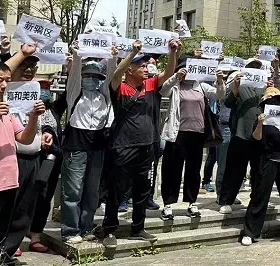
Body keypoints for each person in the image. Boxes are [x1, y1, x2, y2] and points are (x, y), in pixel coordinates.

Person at [102, 38, 180, 248]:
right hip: (123, 147)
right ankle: (109, 230)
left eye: (147, 66)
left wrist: (173, 52)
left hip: (148, 148)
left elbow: (168, 72)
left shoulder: (151, 84)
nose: (147, 69)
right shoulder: (120, 87)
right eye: (142, 66)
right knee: (117, 190)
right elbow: (116, 73)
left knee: (143, 190)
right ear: (130, 70)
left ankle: (138, 227)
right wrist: (131, 54)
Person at [0, 60, 44, 266]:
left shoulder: (6, 112)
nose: (3, 86)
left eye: (6, 81)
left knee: (0, 235)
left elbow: (24, 138)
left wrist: (33, 117)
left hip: (9, 181)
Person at [2, 44, 52, 264]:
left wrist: (47, 133)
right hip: (9, 158)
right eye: (24, 65)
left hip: (34, 156)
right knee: (6, 206)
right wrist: (19, 53)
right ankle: (1, 249)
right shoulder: (2, 90)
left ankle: (11, 248)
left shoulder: (36, 90)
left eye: (33, 66)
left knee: (26, 206)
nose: (29, 70)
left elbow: (44, 120)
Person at [59, 50, 115, 244]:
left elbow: (111, 78)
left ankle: (86, 227)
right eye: (87, 75)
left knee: (92, 191)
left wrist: (113, 58)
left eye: (95, 76)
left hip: (98, 147)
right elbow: (73, 77)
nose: (91, 79)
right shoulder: (75, 95)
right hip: (76, 146)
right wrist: (76, 56)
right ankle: (69, 230)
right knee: (73, 190)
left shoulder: (104, 96)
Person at [159, 58, 225, 220]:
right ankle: (167, 204)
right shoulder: (175, 86)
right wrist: (176, 77)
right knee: (171, 169)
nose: (187, 72)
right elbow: (163, 90)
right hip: (177, 133)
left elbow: (219, 94)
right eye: (184, 69)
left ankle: (191, 202)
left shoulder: (201, 86)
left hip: (197, 134)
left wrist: (220, 80)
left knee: (194, 170)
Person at [241, 88, 280, 246]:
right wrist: (260, 124)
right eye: (271, 97)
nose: (275, 100)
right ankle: (250, 232)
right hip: (268, 159)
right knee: (260, 196)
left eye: (277, 97)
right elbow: (255, 139)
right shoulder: (260, 116)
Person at [218, 58, 269, 214]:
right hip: (240, 132)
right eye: (252, 67)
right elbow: (227, 103)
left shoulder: (265, 86)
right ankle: (226, 200)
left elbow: (275, 106)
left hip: (260, 134)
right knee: (234, 169)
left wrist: (270, 93)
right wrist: (236, 88)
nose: (255, 69)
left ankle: (256, 201)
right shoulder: (237, 82)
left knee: (258, 170)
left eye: (257, 67)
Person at [27, 78, 65, 253]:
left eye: (47, 88)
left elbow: (71, 91)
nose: (44, 92)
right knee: (24, 198)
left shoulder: (55, 109)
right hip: (28, 157)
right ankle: (15, 235)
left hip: (50, 160)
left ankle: (35, 236)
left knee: (44, 198)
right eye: (40, 88)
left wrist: (73, 65)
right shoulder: (23, 108)